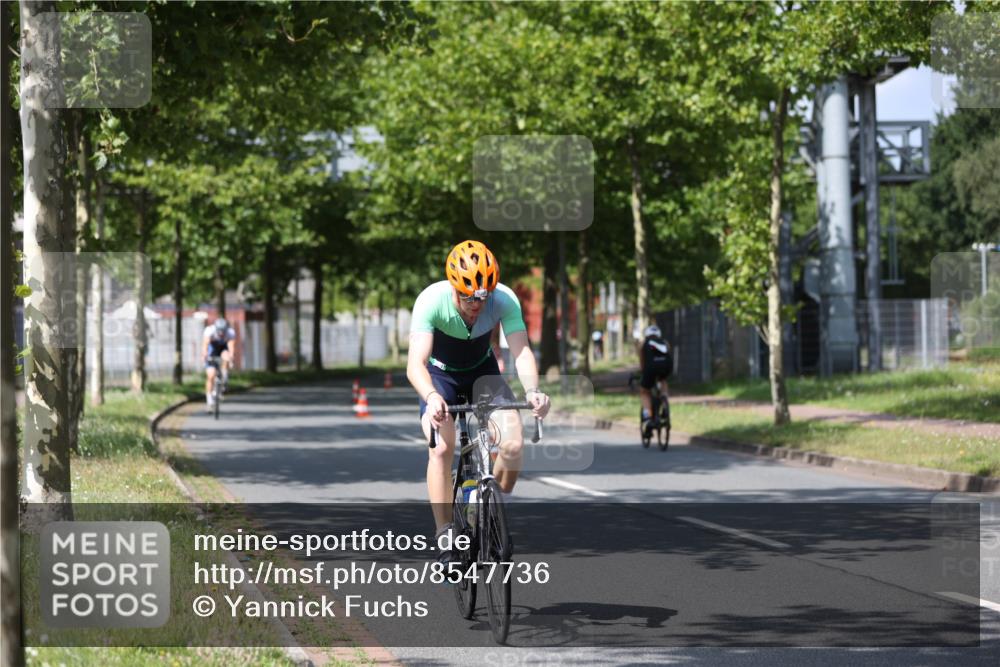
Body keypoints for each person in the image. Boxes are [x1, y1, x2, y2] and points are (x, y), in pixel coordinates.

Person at [407, 240, 550, 558]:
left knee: (512, 444)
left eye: (483, 297)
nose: (476, 304)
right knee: (441, 447)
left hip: (482, 373)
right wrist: (431, 397)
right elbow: (415, 364)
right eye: (469, 296)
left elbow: (521, 351)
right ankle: (444, 535)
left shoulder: (505, 300)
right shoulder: (431, 300)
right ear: (454, 288)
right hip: (440, 379)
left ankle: (493, 511)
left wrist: (533, 391)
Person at [636, 323, 672, 438]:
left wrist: (642, 371)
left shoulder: (643, 344)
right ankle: (664, 400)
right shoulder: (665, 343)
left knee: (644, 391)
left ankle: (647, 415)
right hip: (665, 368)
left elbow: (642, 361)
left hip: (650, 369)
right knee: (663, 380)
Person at [203, 317, 236, 412]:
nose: (221, 333)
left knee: (226, 357)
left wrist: (231, 358)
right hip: (212, 349)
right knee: (210, 375)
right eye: (219, 331)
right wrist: (205, 356)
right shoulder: (209, 331)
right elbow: (205, 345)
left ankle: (224, 378)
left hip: (223, 348)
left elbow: (231, 347)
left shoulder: (230, 332)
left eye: (223, 331)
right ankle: (209, 401)